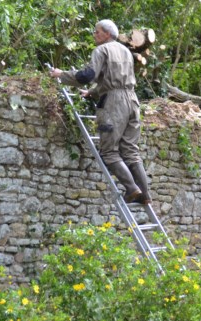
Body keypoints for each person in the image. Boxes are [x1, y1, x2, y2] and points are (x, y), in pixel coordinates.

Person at [49, 19, 151, 204]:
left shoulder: (101, 50)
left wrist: (61, 75)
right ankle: (145, 196)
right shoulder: (126, 51)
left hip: (114, 105)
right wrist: (92, 92)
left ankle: (132, 189)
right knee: (131, 152)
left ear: (106, 34)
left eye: (97, 32)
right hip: (133, 101)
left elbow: (88, 76)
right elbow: (114, 80)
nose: (94, 35)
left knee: (109, 152)